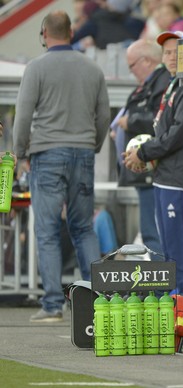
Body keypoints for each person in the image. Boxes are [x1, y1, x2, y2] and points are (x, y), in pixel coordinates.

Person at [12, 10, 110, 322]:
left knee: (47, 229)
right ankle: (98, 303)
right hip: (82, 153)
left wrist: (19, 152)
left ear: (44, 33)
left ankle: (53, 304)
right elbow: (104, 115)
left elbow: (23, 116)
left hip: (47, 154)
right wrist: (92, 145)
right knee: (83, 228)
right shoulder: (93, 68)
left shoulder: (36, 67)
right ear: (71, 32)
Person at [124, 30, 183, 296]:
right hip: (166, 175)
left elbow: (178, 134)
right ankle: (174, 301)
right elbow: (164, 131)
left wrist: (143, 152)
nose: (172, 57)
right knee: (168, 249)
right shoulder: (175, 84)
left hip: (181, 176)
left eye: (179, 51)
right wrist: (145, 153)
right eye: (167, 52)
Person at [116, 38, 170, 258]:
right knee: (152, 234)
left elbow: (160, 121)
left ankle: (162, 291)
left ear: (146, 61)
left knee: (154, 234)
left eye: (132, 66)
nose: (131, 72)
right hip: (144, 172)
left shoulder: (162, 82)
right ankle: (162, 289)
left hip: (152, 169)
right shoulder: (151, 84)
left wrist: (132, 121)